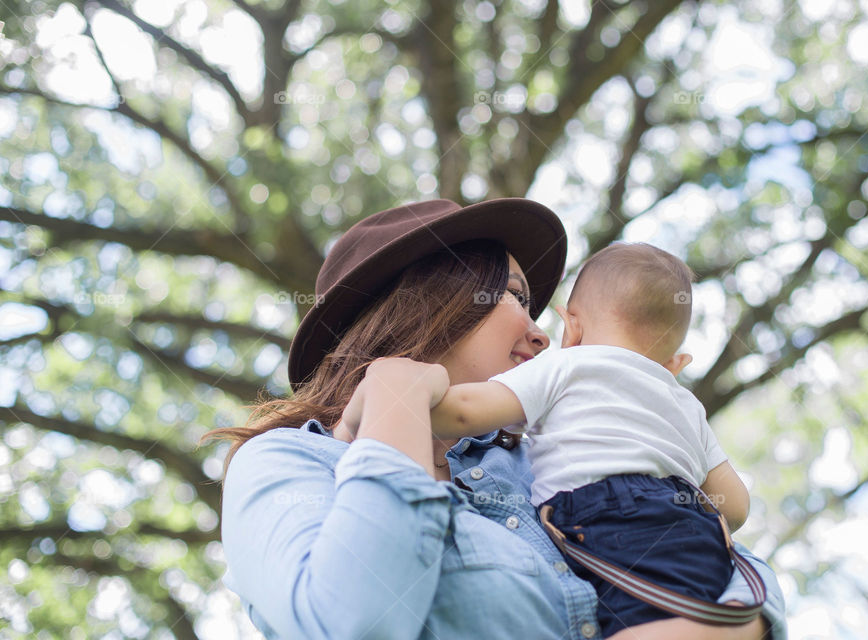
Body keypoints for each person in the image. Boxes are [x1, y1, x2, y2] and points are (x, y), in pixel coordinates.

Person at [201, 199, 786, 639]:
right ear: (422, 302)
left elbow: (740, 570)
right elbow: (356, 620)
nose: (540, 332)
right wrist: (396, 403)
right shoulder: (288, 465)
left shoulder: (551, 459)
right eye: (510, 295)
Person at [409, 241, 751, 637]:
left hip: (602, 516)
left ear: (573, 327)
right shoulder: (687, 404)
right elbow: (736, 506)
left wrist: (406, 396)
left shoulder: (565, 365)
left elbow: (467, 410)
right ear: (675, 364)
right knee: (673, 617)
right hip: (691, 529)